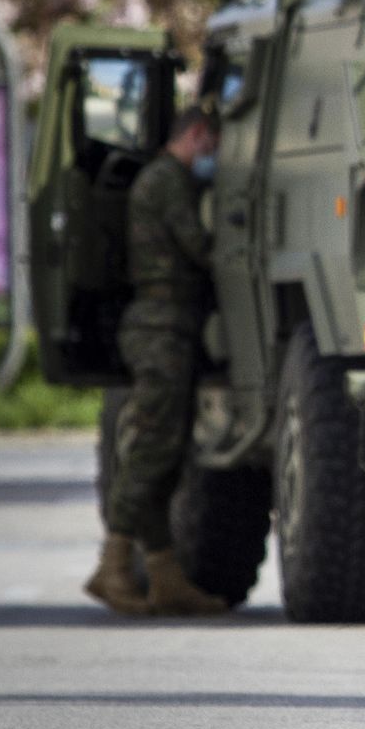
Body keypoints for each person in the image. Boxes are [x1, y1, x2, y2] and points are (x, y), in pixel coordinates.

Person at [83, 104, 230, 618]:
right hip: (159, 329)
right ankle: (113, 565)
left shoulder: (160, 178)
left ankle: (164, 576)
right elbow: (199, 246)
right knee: (148, 451)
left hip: (168, 329)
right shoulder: (166, 180)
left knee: (163, 457)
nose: (213, 155)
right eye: (211, 144)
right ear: (194, 135)